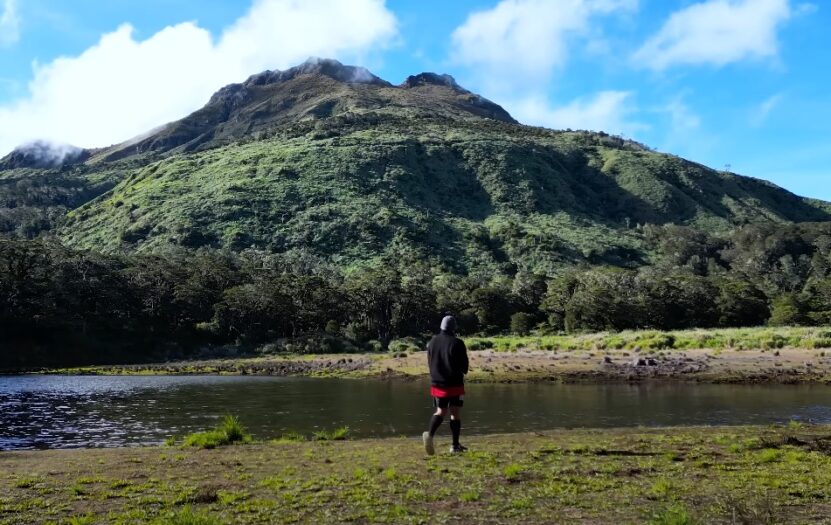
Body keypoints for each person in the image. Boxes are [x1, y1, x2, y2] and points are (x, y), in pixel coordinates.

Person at [423, 315, 469, 455]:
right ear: (454, 328)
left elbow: (430, 362)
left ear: (441, 326)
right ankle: (455, 446)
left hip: (437, 383)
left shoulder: (432, 342)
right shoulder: (457, 343)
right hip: (454, 384)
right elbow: (464, 368)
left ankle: (430, 435)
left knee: (440, 411)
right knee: (455, 413)